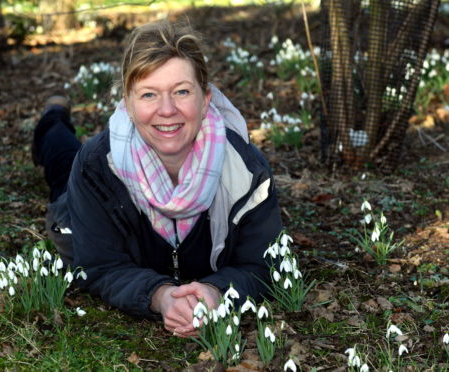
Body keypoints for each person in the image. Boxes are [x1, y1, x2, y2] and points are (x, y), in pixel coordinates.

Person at [32, 19, 282, 337]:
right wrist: (159, 296)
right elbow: (100, 266)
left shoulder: (246, 172)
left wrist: (216, 292)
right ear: (128, 104)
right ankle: (53, 118)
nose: (167, 110)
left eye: (181, 91)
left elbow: (261, 265)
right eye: (149, 94)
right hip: (78, 205)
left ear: (205, 100)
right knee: (62, 164)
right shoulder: (95, 168)